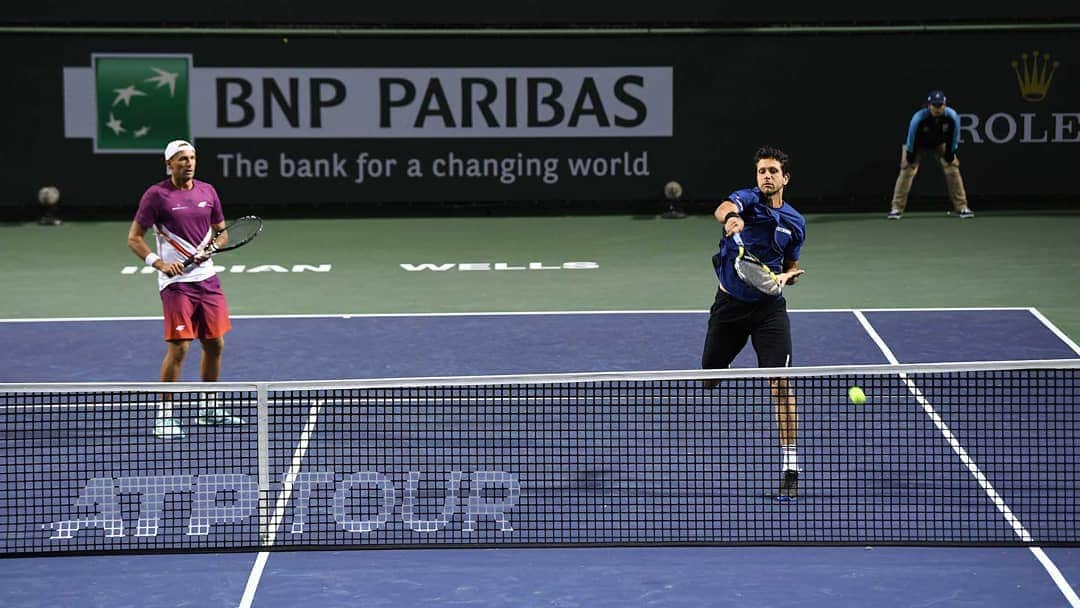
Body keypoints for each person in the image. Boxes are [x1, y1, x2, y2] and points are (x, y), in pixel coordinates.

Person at [702, 145, 806, 502]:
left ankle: (790, 466)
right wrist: (730, 220)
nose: (766, 176)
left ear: (785, 178)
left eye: (773, 171)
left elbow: (790, 265)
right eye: (762, 171)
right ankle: (721, 361)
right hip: (729, 305)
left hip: (768, 310)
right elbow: (723, 209)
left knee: (780, 384)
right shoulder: (745, 201)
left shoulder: (795, 223)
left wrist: (787, 278)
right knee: (709, 374)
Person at [126, 139, 242, 439]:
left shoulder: (208, 191)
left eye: (191, 158)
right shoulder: (157, 196)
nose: (188, 163)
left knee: (215, 344)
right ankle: (164, 415)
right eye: (181, 159)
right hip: (177, 284)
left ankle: (209, 407)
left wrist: (212, 248)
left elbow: (222, 233)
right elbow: (135, 238)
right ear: (169, 164)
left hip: (207, 278)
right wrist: (160, 264)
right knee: (180, 347)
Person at [888, 90, 974, 219]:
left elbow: (953, 137)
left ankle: (962, 207)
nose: (937, 108)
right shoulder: (919, 118)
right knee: (907, 170)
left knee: (952, 169)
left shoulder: (952, 116)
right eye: (934, 105)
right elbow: (911, 140)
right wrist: (909, 157)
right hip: (917, 145)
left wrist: (951, 155)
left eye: (940, 105)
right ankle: (896, 209)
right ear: (929, 105)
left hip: (940, 143)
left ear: (945, 105)